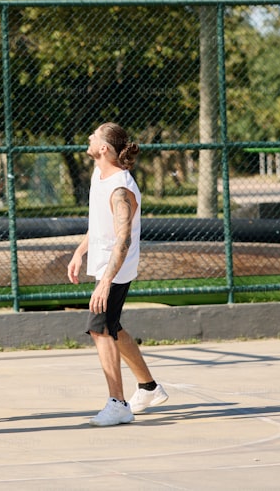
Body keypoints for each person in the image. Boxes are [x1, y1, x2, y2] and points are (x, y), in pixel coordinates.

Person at [66, 122, 168, 427]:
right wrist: (79, 251)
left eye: (94, 135)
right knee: (113, 326)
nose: (88, 136)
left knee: (99, 329)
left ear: (104, 148)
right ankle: (149, 388)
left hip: (117, 269)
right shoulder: (100, 175)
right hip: (105, 265)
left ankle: (117, 403)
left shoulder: (120, 189)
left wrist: (106, 282)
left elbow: (122, 239)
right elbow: (100, 225)